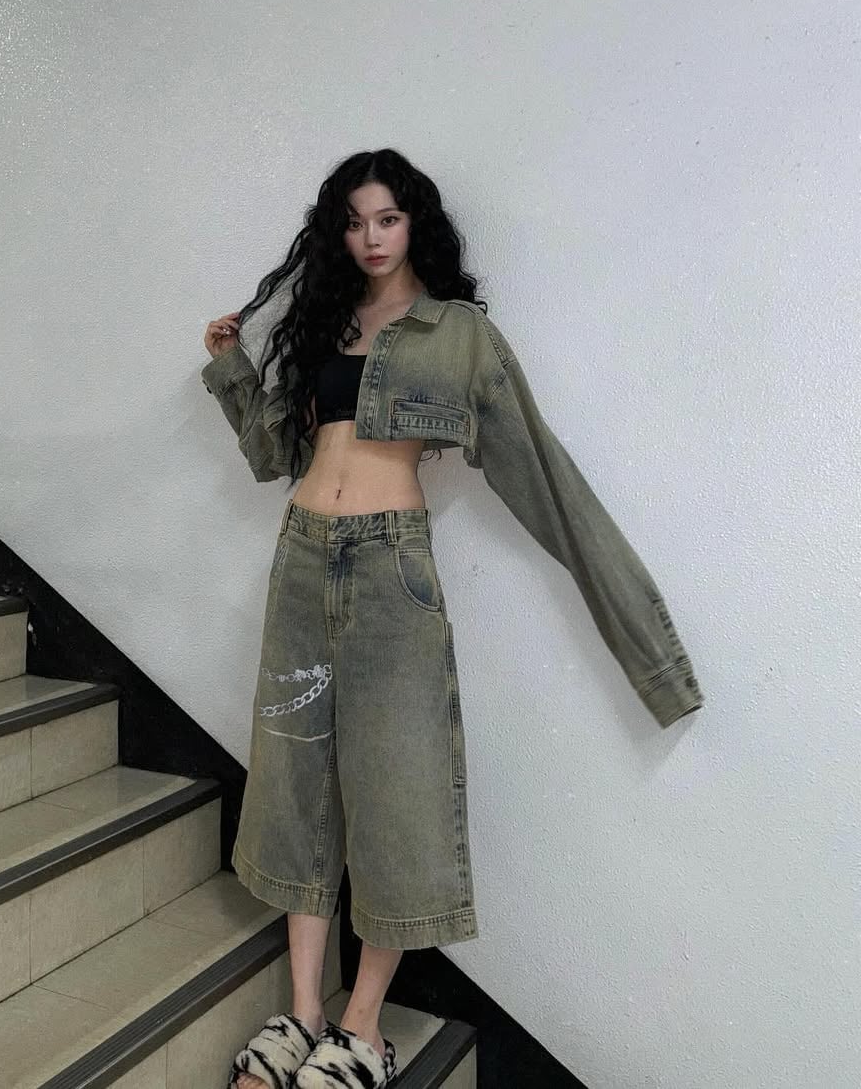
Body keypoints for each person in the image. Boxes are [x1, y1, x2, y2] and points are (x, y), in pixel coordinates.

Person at [203, 149, 704, 1089]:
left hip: (391, 572)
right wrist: (233, 368)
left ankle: (361, 1029)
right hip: (300, 562)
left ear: (415, 224)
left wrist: (656, 661)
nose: (370, 238)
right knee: (294, 780)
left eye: (387, 218)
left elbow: (548, 484)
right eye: (355, 221)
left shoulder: (460, 334)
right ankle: (303, 1013)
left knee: (401, 791)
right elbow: (275, 457)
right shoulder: (327, 325)